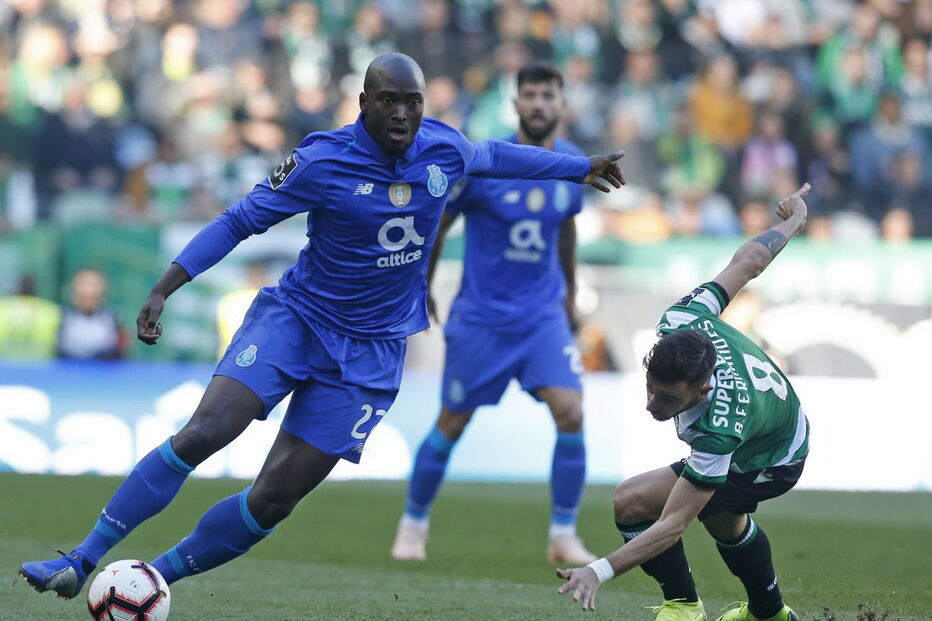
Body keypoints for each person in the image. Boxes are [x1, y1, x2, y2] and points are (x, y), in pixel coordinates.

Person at [18, 53, 625, 600]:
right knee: (205, 430)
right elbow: (238, 222)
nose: (402, 113)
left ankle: (153, 580)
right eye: (388, 100)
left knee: (273, 500)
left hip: (371, 355)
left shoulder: (445, 150)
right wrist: (164, 287)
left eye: (412, 103)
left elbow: (496, 157)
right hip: (298, 321)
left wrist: (577, 167)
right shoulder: (322, 160)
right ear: (364, 103)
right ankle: (82, 558)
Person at [556, 183, 812, 621]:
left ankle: (684, 608)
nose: (651, 403)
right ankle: (769, 613)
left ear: (703, 391)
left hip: (774, 455)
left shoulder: (719, 424)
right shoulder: (681, 320)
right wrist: (792, 222)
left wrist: (598, 572)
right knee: (724, 520)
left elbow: (672, 524)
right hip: (768, 419)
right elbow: (747, 262)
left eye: (668, 398)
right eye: (650, 386)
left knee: (634, 503)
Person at [390, 63, 596, 565]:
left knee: (571, 412)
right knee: (451, 422)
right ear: (516, 104)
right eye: (531, 95)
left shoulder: (573, 164)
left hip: (542, 316)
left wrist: (569, 291)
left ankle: (563, 533)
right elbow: (441, 223)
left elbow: (565, 227)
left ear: (562, 104)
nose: (540, 104)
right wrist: (422, 283)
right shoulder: (487, 161)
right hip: (481, 318)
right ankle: (413, 524)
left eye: (549, 95)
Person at [57, 269, 123, 360]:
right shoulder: (62, 318)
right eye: (84, 284)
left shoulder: (113, 319)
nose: (89, 290)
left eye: (94, 285)